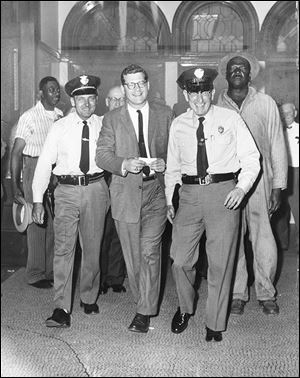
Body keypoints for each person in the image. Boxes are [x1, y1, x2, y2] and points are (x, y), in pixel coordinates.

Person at [165, 66, 260, 342]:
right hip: (190, 196)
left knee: (220, 263)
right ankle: (185, 307)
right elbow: (172, 168)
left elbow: (251, 159)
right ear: (185, 94)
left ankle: (215, 323)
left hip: (223, 193)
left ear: (212, 91)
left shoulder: (230, 119)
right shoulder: (178, 125)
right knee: (180, 260)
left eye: (204, 93)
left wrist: (241, 189)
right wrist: (172, 199)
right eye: (193, 95)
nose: (199, 100)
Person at [95, 64, 174, 333]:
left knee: (150, 250)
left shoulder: (165, 114)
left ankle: (143, 312)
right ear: (124, 87)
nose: (136, 89)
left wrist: (167, 163)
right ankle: (144, 299)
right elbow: (102, 156)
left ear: (148, 85)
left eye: (140, 83)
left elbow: (177, 151)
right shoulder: (111, 118)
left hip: (155, 192)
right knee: (133, 259)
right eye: (130, 84)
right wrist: (123, 163)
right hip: (126, 193)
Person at [32, 74, 110, 328]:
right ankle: (61, 308)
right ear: (73, 101)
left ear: (96, 99)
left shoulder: (104, 124)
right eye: (80, 99)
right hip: (65, 191)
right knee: (64, 249)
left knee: (92, 246)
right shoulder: (59, 127)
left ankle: (88, 296)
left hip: (97, 189)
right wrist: (37, 199)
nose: (86, 104)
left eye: (90, 98)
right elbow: (44, 163)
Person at [217, 52, 288, 316]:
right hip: (227, 184)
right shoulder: (216, 105)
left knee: (263, 238)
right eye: (232, 68)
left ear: (250, 74)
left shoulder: (266, 103)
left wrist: (277, 186)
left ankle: (266, 293)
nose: (237, 71)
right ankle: (237, 294)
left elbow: (278, 146)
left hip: (260, 183)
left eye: (242, 68)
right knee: (232, 237)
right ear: (226, 74)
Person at [10, 76, 63, 289]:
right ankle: (34, 273)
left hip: (55, 172)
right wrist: (15, 186)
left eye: (57, 89)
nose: (56, 93)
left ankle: (50, 270)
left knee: (53, 223)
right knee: (36, 221)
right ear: (41, 93)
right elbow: (15, 153)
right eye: (51, 90)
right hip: (33, 168)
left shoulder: (60, 116)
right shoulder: (29, 117)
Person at [99, 85, 126, 294]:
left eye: (120, 100)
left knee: (118, 231)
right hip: (100, 183)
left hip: (121, 182)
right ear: (107, 102)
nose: (116, 103)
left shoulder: (129, 125)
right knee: (100, 233)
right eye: (113, 99)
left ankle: (115, 277)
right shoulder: (96, 123)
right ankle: (99, 280)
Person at [272, 103, 299, 249]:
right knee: (280, 208)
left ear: (294, 113)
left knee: (297, 206)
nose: (285, 116)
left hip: (296, 172)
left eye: (288, 113)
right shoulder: (277, 131)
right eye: (282, 114)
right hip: (281, 171)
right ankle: (282, 243)